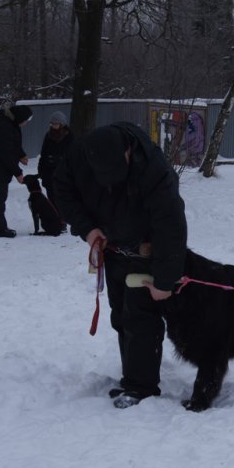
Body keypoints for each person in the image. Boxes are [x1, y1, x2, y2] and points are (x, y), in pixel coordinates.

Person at [54, 122, 187, 409]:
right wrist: (87, 229)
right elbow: (62, 190)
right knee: (120, 313)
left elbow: (171, 224)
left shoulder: (153, 168)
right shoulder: (79, 154)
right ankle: (132, 376)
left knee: (140, 315)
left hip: (145, 245)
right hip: (110, 245)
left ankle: (142, 386)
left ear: (127, 153)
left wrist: (165, 281)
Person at [0, 103, 32, 238]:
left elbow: (14, 143)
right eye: (26, 120)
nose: (26, 123)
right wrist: (18, 173)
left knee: (0, 197)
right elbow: (6, 153)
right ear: (20, 118)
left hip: (1, 167)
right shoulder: (3, 126)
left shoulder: (11, 123)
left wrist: (21, 154)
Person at [37, 111, 74, 203]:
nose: (53, 125)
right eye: (52, 123)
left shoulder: (69, 137)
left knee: (62, 202)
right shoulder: (48, 136)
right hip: (49, 175)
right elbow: (44, 154)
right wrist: (41, 171)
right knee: (52, 201)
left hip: (63, 175)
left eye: (55, 123)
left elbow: (72, 156)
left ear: (62, 124)